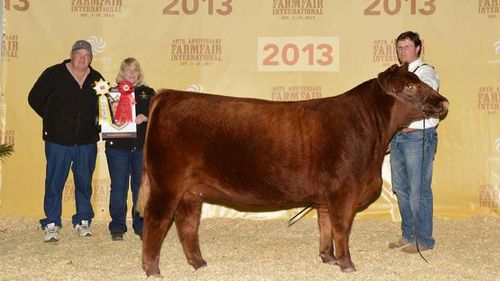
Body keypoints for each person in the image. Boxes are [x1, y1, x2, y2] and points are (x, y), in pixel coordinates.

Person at [28, 40, 104, 242]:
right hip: (58, 141)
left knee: (84, 183)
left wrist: (98, 126)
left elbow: (104, 107)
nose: (82, 58)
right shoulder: (53, 73)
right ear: (71, 55)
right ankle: (51, 223)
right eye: (79, 54)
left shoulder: (97, 79)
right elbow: (34, 98)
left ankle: (83, 220)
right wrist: (50, 119)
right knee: (54, 182)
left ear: (91, 58)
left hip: (87, 142)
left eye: (87, 55)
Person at [388, 31, 440, 253]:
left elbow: (421, 94)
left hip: (419, 136)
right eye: (400, 47)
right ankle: (408, 234)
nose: (403, 51)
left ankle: (424, 240)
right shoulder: (397, 76)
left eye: (408, 46)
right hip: (399, 136)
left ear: (418, 48)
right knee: (401, 188)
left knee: (419, 189)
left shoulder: (426, 72)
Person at [104, 58, 155, 241]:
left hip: (141, 146)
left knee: (140, 187)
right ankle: (117, 226)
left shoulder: (148, 93)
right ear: (122, 73)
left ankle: (141, 225)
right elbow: (102, 117)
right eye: (128, 70)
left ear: (139, 73)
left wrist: (147, 117)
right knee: (118, 187)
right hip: (117, 147)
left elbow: (159, 116)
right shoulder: (110, 93)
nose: (132, 74)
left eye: (135, 70)